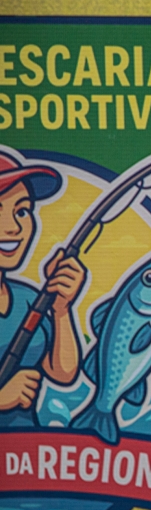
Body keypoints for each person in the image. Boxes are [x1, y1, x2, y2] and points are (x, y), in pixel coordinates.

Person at [0, 151, 86, 427]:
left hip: (32, 446)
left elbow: (62, 372)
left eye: (22, 211)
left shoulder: (26, 298)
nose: (13, 227)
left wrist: (61, 308)